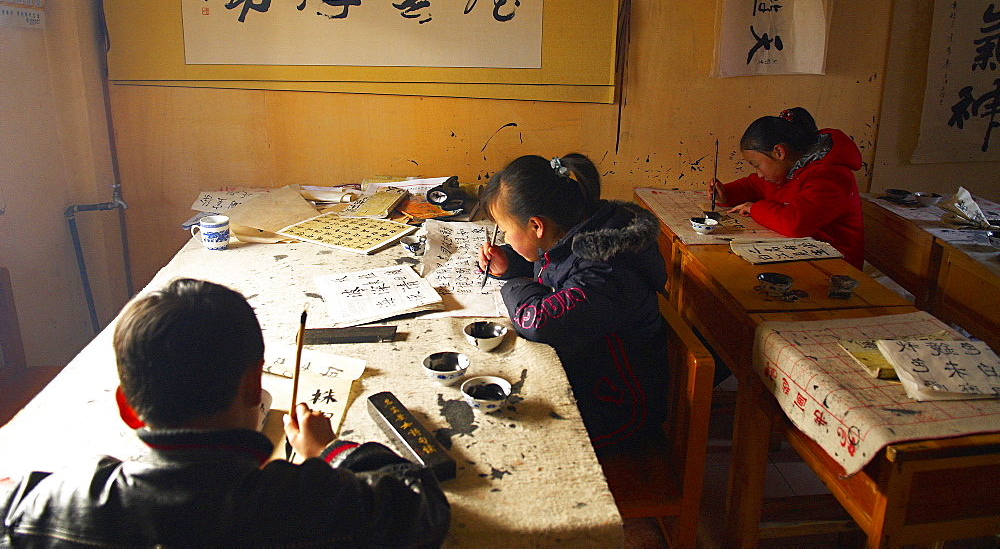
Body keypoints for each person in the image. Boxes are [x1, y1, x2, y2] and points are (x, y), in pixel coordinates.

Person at [1, 278, 450, 547]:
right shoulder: (305, 500)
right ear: (255, 386)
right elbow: (422, 504)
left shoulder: (50, 503)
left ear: (127, 407)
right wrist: (332, 450)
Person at [477, 153, 669, 454]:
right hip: (586, 374)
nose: (503, 239)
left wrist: (512, 285)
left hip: (618, 409)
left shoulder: (605, 269)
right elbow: (554, 265)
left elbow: (540, 322)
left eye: (504, 229)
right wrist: (510, 265)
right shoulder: (577, 229)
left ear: (536, 226)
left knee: (503, 438)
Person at [709, 107, 865, 268]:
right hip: (800, 257)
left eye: (756, 165)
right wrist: (726, 194)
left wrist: (754, 208)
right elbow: (754, 185)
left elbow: (795, 223)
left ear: (779, 152)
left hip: (835, 270)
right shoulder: (788, 169)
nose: (759, 174)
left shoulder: (831, 176)